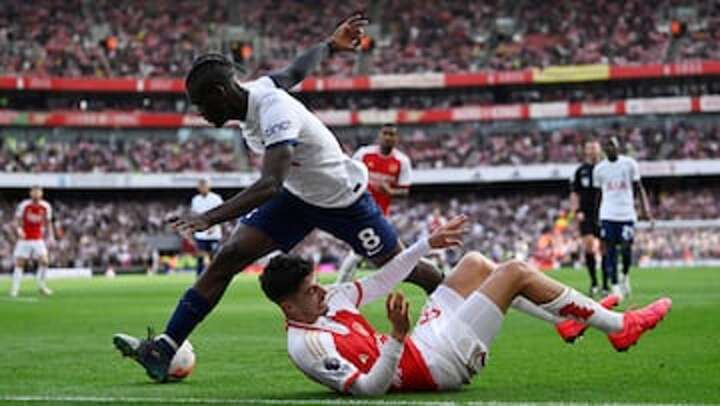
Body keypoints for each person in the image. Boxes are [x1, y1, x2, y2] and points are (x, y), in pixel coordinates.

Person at [113, 14, 444, 382]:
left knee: (403, 267)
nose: (200, 114)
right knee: (228, 257)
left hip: (343, 202)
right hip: (297, 198)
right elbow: (295, 71)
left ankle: (453, 295)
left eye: (201, 105)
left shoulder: (274, 111)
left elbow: (270, 183)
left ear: (220, 93)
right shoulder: (259, 91)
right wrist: (329, 46)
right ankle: (164, 349)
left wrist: (211, 217)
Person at [261, 215, 671, 395]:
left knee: (474, 263)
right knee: (514, 272)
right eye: (310, 291)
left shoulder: (330, 301)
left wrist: (427, 244)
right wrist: (398, 337)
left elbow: (383, 279)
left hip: (422, 343)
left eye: (317, 285)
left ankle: (562, 321)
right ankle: (620, 327)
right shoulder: (308, 347)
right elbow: (369, 391)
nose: (323, 292)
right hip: (436, 366)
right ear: (288, 307)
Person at [336, 124, 412, 283]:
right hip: (359, 208)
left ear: (397, 139)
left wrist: (390, 192)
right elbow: (348, 175)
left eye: (392, 134)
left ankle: (345, 284)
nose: (388, 137)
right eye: (385, 133)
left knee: (374, 250)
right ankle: (342, 284)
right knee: (360, 251)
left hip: (381, 213)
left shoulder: (402, 161)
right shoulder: (364, 154)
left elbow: (405, 191)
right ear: (379, 136)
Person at [593, 137, 654, 300]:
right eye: (607, 146)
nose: (610, 148)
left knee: (626, 248)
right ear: (604, 150)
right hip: (607, 214)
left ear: (618, 147)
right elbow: (598, 195)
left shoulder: (629, 164)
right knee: (610, 249)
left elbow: (639, 188)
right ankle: (614, 285)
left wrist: (645, 210)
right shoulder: (599, 169)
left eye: (612, 145)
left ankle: (625, 274)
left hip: (626, 214)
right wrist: (596, 216)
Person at [570, 140, 603, 296]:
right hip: (586, 214)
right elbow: (574, 193)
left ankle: (607, 283)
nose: (592, 150)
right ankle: (594, 282)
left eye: (594, 148)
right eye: (589, 148)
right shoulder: (580, 171)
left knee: (605, 248)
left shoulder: (605, 168)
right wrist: (576, 211)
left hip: (604, 212)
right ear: (586, 151)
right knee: (589, 246)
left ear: (599, 150)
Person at [10, 186, 54, 297]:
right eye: (34, 192)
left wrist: (51, 236)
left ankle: (41, 286)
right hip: (24, 239)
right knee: (20, 263)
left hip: (38, 238)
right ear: (30, 193)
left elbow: (48, 222)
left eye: (38, 192)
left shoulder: (46, 206)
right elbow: (17, 219)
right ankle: (15, 289)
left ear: (41, 194)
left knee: (45, 261)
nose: (36, 194)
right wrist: (19, 230)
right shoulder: (24, 205)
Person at [190, 179, 223, 276]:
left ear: (208, 187)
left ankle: (215, 277)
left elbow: (220, 213)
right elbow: (194, 215)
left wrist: (213, 226)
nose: (202, 188)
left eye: (204, 186)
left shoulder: (216, 198)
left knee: (214, 258)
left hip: (214, 234)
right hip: (200, 234)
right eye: (200, 186)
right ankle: (199, 279)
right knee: (200, 258)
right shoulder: (195, 199)